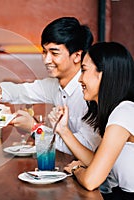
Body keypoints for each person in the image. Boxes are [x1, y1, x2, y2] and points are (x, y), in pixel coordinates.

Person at [0, 17, 101, 154]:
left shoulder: (92, 92)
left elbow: (85, 148)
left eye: (54, 53)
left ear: (77, 56)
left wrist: (35, 128)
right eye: (44, 52)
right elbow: (23, 90)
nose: (46, 60)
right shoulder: (54, 84)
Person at [49, 42, 134, 199]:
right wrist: (63, 130)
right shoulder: (119, 110)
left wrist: (77, 169)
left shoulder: (124, 112)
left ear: (102, 74)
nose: (80, 79)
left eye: (84, 70)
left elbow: (91, 181)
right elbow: (98, 163)